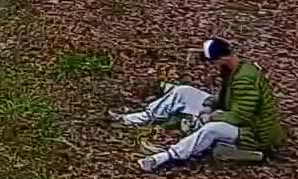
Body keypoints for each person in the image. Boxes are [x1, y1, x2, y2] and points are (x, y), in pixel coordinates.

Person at [118, 38, 287, 171]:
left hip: (253, 133)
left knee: (211, 129)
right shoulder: (233, 70)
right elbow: (228, 99)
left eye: (212, 62)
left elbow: (241, 115)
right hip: (235, 115)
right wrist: (211, 102)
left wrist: (212, 115)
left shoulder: (245, 79)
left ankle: (165, 156)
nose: (211, 67)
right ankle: (139, 118)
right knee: (183, 91)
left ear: (224, 58)